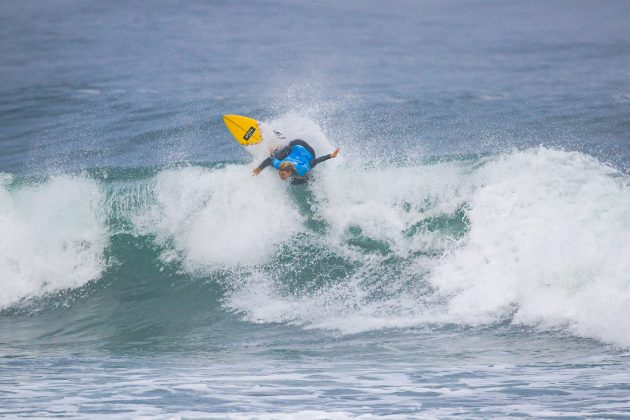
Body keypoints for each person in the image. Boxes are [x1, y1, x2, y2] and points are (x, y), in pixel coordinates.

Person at [252, 139, 340, 184]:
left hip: (306, 149)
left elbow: (315, 161)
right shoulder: (279, 165)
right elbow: (269, 160)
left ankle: (281, 148)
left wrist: (330, 156)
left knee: (301, 180)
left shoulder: (301, 169)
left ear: (289, 171)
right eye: (280, 174)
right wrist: (259, 169)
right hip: (296, 150)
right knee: (274, 156)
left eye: (282, 174)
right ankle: (276, 148)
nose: (280, 176)